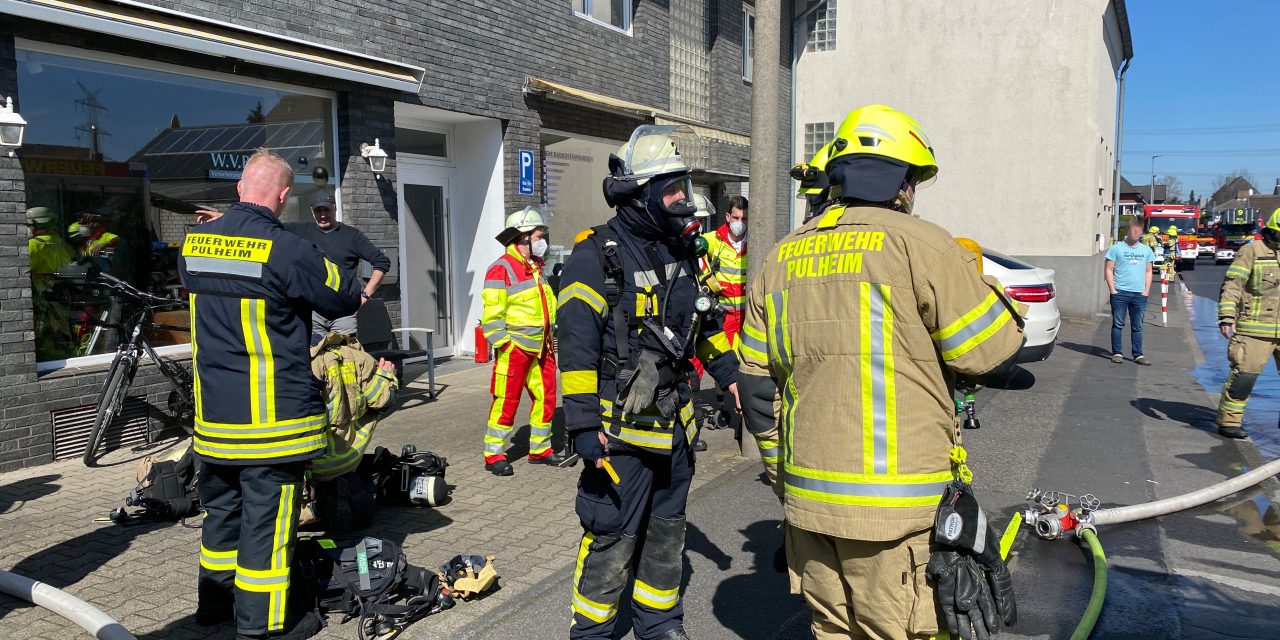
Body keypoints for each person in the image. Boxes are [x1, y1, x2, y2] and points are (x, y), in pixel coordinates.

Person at [737, 105, 1024, 640]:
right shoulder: (922, 245)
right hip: (896, 517)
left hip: (809, 508)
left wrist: (784, 482)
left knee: (832, 632)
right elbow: (990, 351)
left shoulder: (778, 260)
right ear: (906, 183)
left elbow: (756, 392)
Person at [557, 125, 740, 640]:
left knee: (666, 532)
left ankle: (659, 623)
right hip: (620, 438)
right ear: (641, 196)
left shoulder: (681, 251)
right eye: (671, 189)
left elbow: (701, 329)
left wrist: (729, 379)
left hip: (676, 429)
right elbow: (575, 348)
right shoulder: (595, 256)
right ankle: (592, 633)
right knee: (611, 536)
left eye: (683, 186)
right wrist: (583, 427)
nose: (682, 198)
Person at [181, 148, 362, 640]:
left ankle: (214, 609)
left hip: (214, 423)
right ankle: (259, 626)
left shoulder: (195, 245)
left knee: (222, 516)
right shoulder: (287, 248)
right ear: (283, 197)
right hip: (270, 428)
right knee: (268, 528)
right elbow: (345, 293)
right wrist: (296, 240)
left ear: (240, 188)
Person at [480, 206, 566, 476]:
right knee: (507, 401)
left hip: (542, 347)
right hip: (516, 348)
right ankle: (494, 455)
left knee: (547, 398)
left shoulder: (535, 266)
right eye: (539, 236)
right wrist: (505, 344)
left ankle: (540, 449)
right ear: (523, 238)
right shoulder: (501, 269)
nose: (542, 241)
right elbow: (492, 316)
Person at [283, 191, 390, 337]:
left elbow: (382, 262)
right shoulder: (301, 231)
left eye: (326, 209)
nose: (322, 215)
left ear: (335, 208)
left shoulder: (352, 236)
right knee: (315, 358)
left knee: (346, 358)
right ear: (312, 211)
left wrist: (365, 295)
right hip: (312, 314)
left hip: (343, 314)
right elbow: (268, 225)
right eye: (318, 210)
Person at [1215, 208, 1280, 440]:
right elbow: (1233, 284)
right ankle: (1229, 421)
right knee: (1244, 377)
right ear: (1273, 231)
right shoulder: (1252, 251)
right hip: (1254, 329)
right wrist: (1226, 317)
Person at [698, 196, 749, 440]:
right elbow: (693, 249)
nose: (740, 223)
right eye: (736, 218)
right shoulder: (712, 241)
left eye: (744, 219)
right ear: (727, 218)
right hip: (726, 314)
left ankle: (743, 421)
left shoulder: (757, 242)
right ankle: (722, 403)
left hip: (748, 316)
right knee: (724, 358)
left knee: (749, 364)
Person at [27, 207, 78, 359]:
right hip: (60, 296)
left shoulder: (33, 246)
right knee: (60, 334)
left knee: (42, 337)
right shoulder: (59, 242)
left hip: (41, 297)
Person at [1104, 217, 1156, 365]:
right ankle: (1117, 352)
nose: (1135, 232)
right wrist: (1113, 290)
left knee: (1137, 326)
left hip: (1139, 294)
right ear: (1128, 230)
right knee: (1118, 324)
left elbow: (1148, 272)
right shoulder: (1116, 248)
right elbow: (1108, 269)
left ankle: (1138, 354)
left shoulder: (1146, 250)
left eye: (1138, 230)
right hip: (1120, 292)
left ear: (1141, 232)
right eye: (1133, 229)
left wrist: (1146, 291)